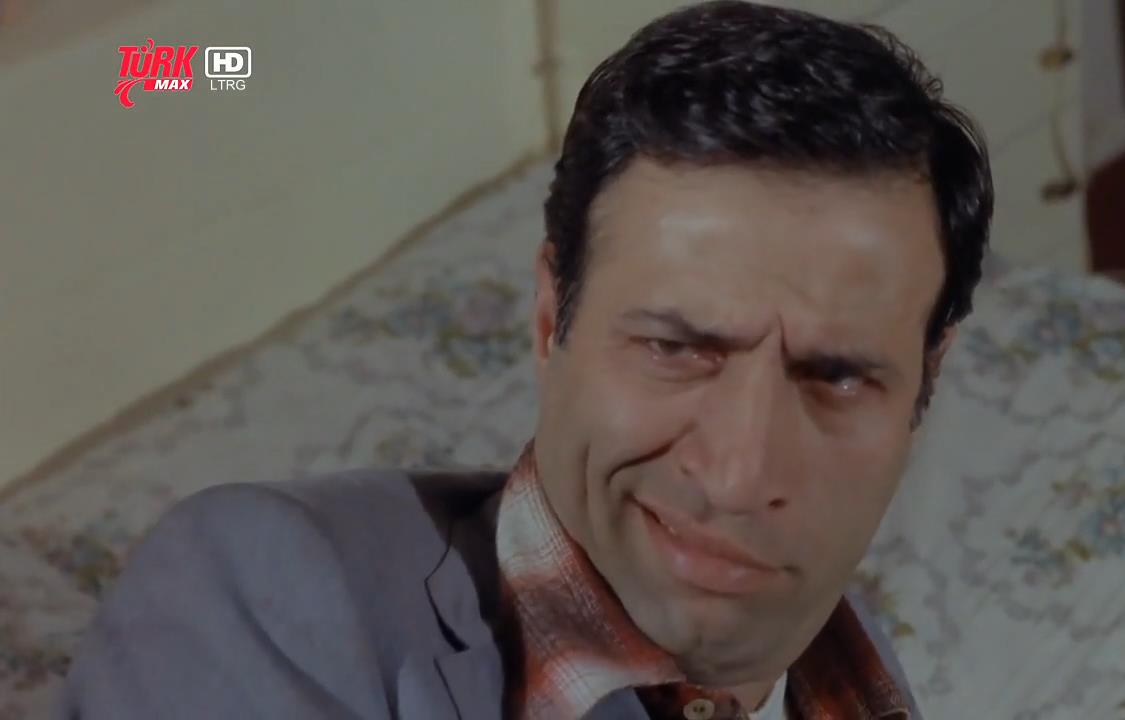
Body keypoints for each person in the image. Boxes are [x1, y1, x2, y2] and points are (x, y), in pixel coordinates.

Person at [59, 1, 991, 717]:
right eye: (675, 348)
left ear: (924, 386)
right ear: (552, 322)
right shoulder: (272, 588)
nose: (741, 477)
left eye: (837, 378)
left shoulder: (854, 666)